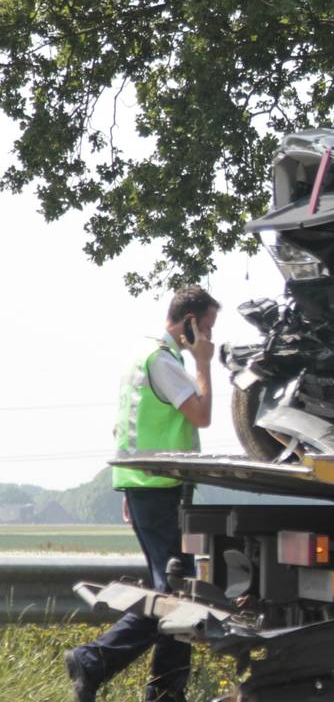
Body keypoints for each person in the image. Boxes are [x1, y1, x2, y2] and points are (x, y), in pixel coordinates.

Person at [65, 286, 220, 702]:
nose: (209, 338)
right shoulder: (165, 362)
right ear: (189, 322)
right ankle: (94, 661)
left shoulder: (141, 355)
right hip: (160, 490)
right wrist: (204, 364)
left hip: (145, 487)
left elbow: (126, 428)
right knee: (175, 597)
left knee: (177, 593)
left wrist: (130, 489)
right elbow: (201, 415)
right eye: (207, 328)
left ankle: (164, 691)